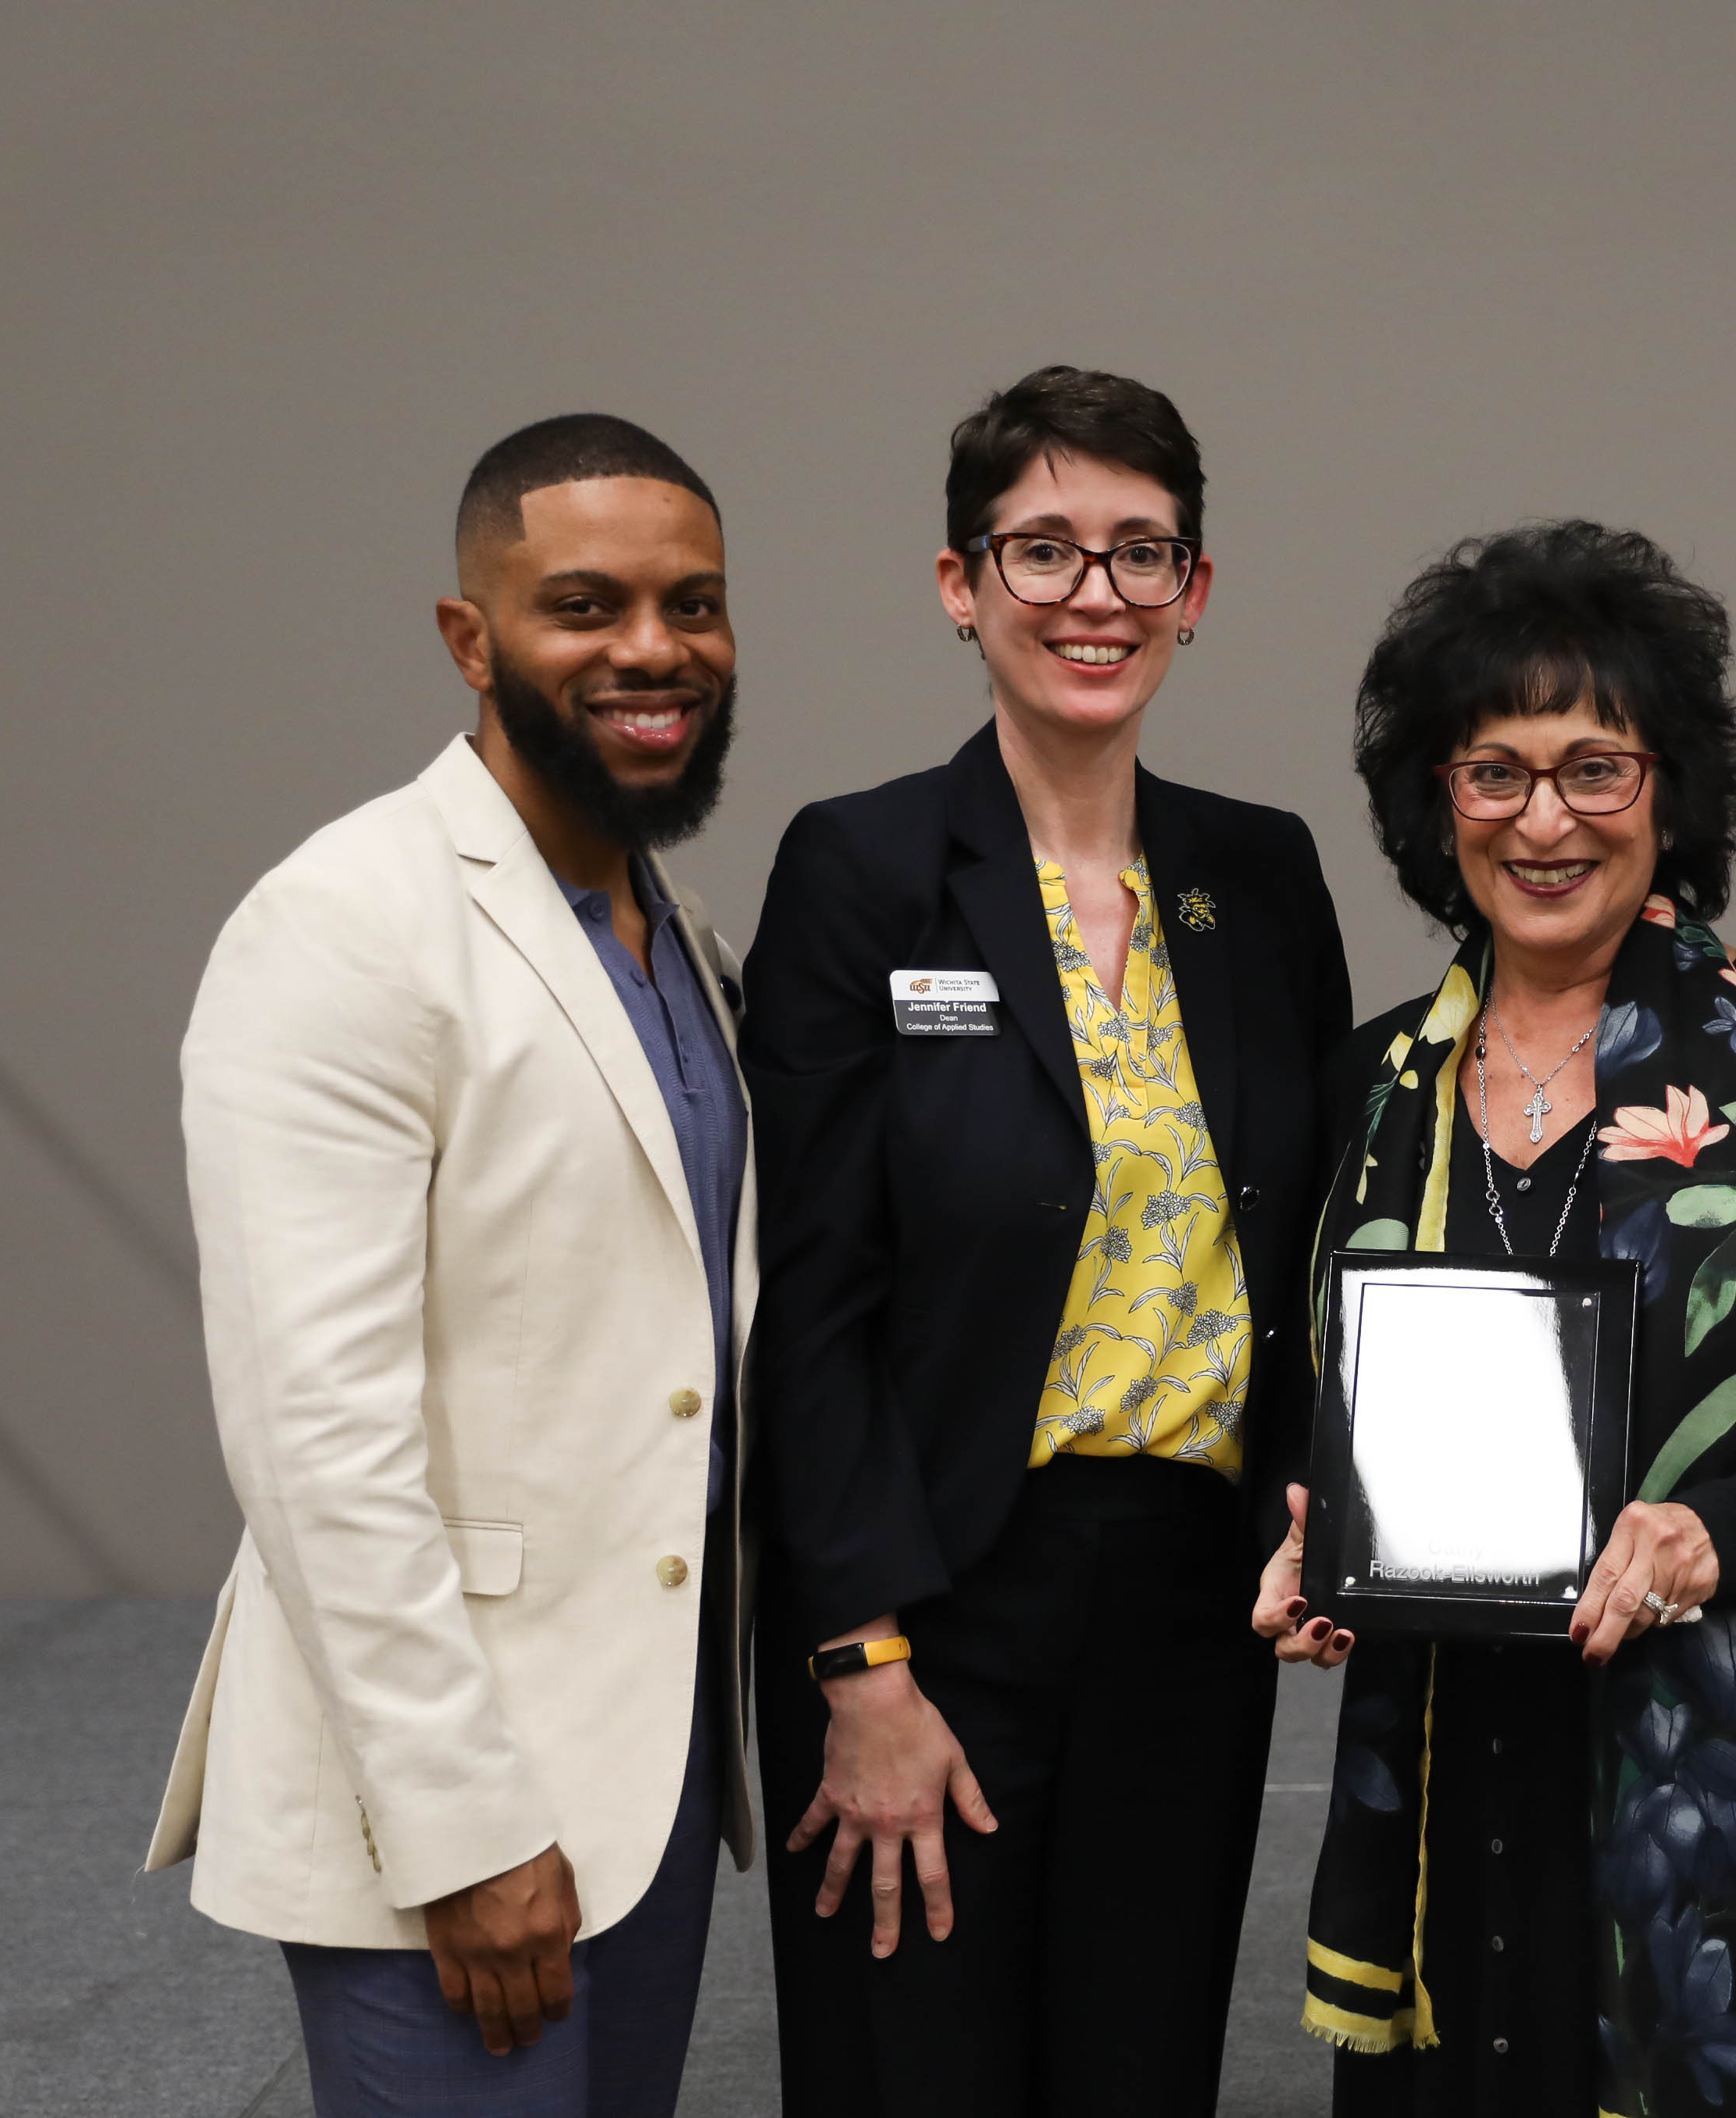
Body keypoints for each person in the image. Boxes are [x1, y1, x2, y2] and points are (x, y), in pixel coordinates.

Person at [1262, 520, 1736, 2117]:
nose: (1545, 820)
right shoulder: (1367, 1085)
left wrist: (1713, 1537)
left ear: (1667, 791)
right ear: (1435, 805)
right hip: (1466, 1770)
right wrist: (1306, 1539)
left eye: (1594, 767)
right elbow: (1306, 1400)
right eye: (1494, 772)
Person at [741, 364, 1353, 2115]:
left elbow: (1301, 1249)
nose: (1094, 596)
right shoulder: (860, 872)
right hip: (931, 1597)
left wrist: (1321, 1496)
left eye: (1140, 553)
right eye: (1043, 550)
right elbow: (813, 1300)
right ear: (960, 584)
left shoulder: (1262, 875)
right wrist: (856, 1658)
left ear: (1195, 593)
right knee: (910, 2073)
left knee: (1137, 2068)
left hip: (1182, 1599)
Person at [141, 413, 758, 2116]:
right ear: (468, 639)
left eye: (692, 606)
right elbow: (314, 1434)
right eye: (585, 604)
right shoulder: (341, 926)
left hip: (646, 1763)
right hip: (447, 1797)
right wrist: (468, 1828)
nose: (653, 649)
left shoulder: (677, 934)